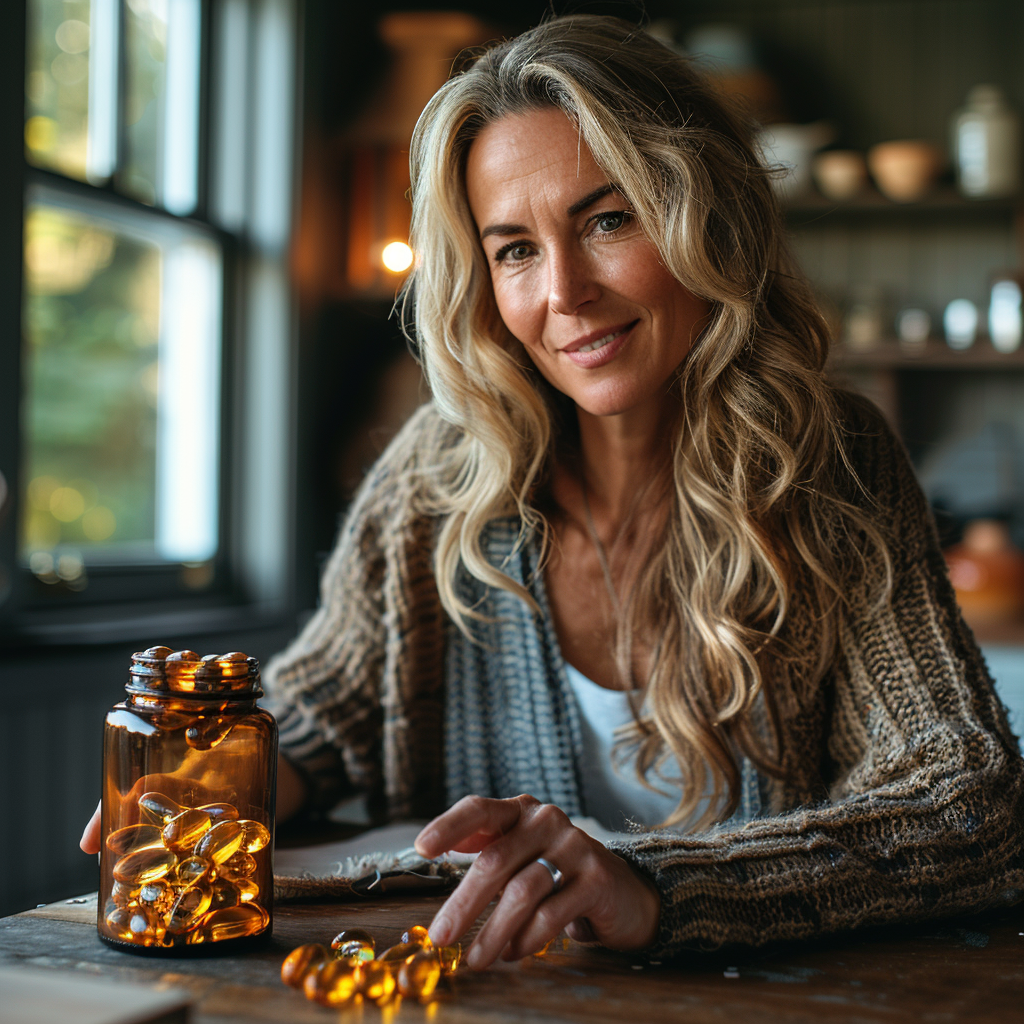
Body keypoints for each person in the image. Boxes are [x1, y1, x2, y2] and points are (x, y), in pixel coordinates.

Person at [82, 14, 1024, 965]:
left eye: (607, 220)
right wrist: (220, 782)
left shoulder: (831, 464)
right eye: (515, 249)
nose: (564, 291)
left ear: (704, 216)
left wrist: (658, 890)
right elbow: (330, 715)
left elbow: (973, 800)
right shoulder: (438, 477)